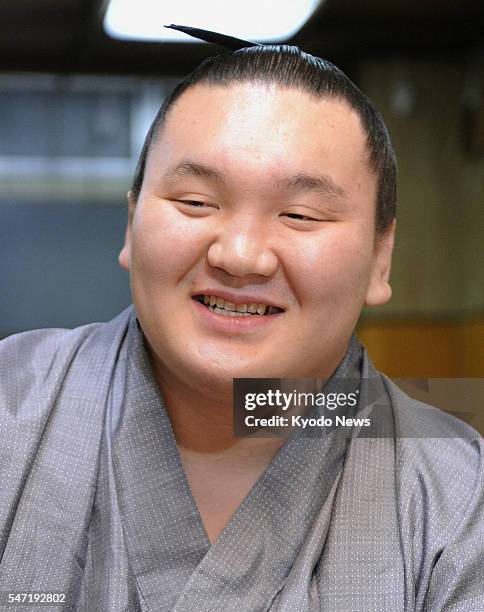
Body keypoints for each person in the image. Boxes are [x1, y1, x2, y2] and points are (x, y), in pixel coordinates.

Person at [0, 29, 483, 612]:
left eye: (300, 214)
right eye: (196, 203)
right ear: (131, 225)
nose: (239, 255)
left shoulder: (459, 496)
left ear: (381, 258)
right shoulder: (13, 405)